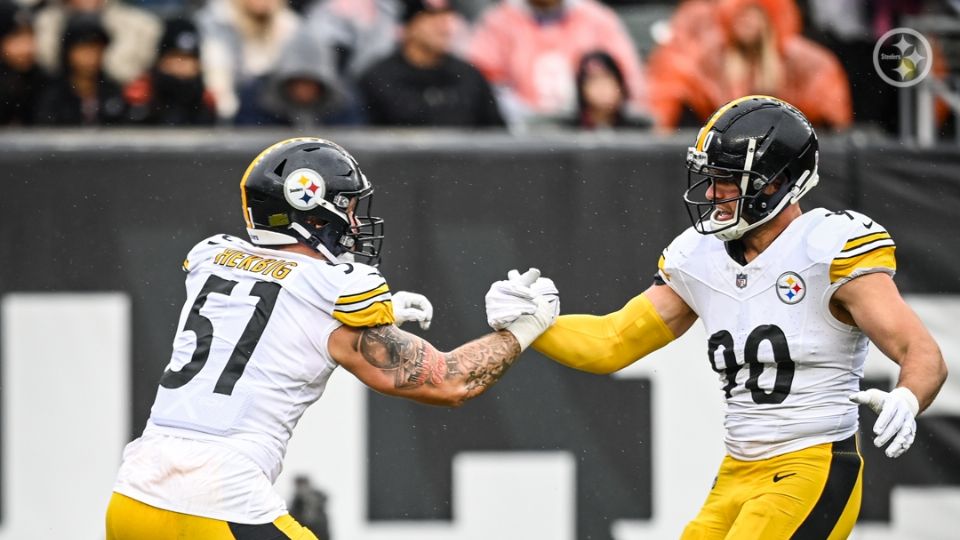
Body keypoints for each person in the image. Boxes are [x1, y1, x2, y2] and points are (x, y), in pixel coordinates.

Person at [488, 96, 948, 538]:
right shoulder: (700, 256)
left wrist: (907, 398)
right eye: (710, 177)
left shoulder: (827, 248)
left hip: (811, 466)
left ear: (775, 182)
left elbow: (921, 352)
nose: (711, 192)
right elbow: (612, 342)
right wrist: (534, 323)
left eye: (727, 178)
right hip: (736, 472)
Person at [104, 137, 559, 539]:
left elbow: (267, 307)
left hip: (132, 498)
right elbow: (449, 381)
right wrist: (524, 327)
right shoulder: (334, 291)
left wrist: (379, 316)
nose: (355, 225)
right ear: (312, 208)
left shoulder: (215, 259)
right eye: (347, 208)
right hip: (218, 504)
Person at [358, 0, 504, 127]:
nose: (443, 27)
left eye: (446, 17)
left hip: (466, 159)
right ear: (409, 26)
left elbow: (496, 135)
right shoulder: (379, 77)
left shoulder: (469, 75)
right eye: (432, 17)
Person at [34, 13, 127, 125]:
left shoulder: (115, 92)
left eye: (96, 49)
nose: (91, 56)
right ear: (68, 52)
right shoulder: (50, 94)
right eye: (83, 49)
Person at [125, 17, 217, 126]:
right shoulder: (142, 93)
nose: (181, 64)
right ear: (161, 59)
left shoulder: (205, 99)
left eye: (188, 58)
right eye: (174, 56)